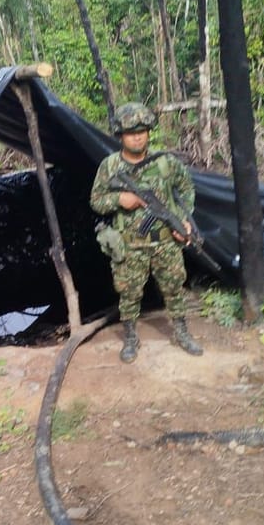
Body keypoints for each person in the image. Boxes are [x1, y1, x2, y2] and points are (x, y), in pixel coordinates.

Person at [90, 102, 203, 363]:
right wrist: (120, 199)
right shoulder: (109, 166)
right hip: (129, 246)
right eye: (131, 132)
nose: (138, 136)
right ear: (120, 135)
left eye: (142, 130)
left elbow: (186, 191)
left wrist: (185, 222)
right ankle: (131, 338)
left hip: (166, 243)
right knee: (129, 294)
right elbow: (96, 200)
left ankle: (182, 333)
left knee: (174, 288)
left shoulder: (166, 163)